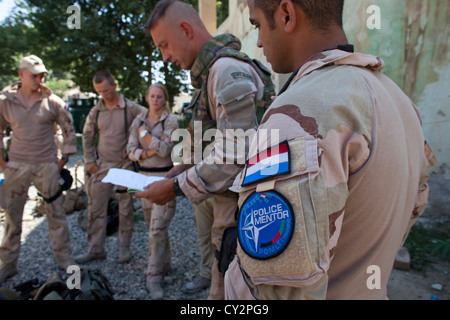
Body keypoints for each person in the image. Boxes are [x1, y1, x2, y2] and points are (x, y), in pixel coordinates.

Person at [224, 0, 437, 300]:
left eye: (257, 24)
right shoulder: (399, 100)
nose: (258, 41)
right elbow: (416, 202)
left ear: (286, 14)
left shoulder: (298, 110)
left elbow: (276, 290)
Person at [136, 0, 275, 300]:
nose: (164, 57)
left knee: (229, 292)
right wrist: (176, 170)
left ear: (185, 30)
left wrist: (173, 187)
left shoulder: (225, 71)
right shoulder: (208, 75)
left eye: (164, 45)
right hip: (221, 203)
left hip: (242, 212)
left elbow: (235, 156)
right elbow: (200, 136)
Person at [0, 55, 78, 284]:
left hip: (46, 166)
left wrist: (62, 161)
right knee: (13, 217)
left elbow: (69, 130)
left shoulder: (52, 101)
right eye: (34, 75)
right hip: (16, 166)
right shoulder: (5, 101)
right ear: (21, 75)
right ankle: (8, 264)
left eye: (42, 75)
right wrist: (3, 164)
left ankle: (65, 259)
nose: (39, 79)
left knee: (56, 215)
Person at [75, 70, 147, 265]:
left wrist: (135, 147)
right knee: (95, 209)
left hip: (125, 166)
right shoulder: (96, 111)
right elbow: (88, 136)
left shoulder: (131, 108)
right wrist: (89, 161)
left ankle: (124, 249)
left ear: (114, 86)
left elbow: (150, 122)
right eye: (99, 91)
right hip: (102, 166)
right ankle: (95, 249)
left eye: (106, 90)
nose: (104, 95)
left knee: (125, 209)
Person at [126, 83, 179, 299]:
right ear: (147, 97)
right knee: (154, 227)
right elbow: (129, 151)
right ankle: (165, 266)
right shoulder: (138, 120)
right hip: (142, 178)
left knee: (157, 229)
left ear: (165, 99)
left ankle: (153, 277)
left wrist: (146, 137)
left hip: (164, 178)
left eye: (159, 96)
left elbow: (167, 149)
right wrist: (147, 152)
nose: (155, 100)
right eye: (152, 96)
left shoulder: (171, 120)